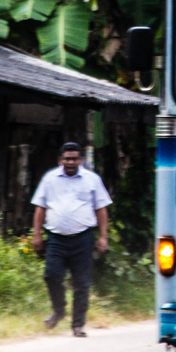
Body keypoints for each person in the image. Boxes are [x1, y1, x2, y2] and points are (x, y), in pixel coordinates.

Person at [31, 142, 111, 337]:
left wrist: (103, 237)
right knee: (51, 275)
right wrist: (36, 235)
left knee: (81, 283)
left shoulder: (91, 180)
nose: (71, 162)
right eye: (67, 158)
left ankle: (78, 325)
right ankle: (59, 310)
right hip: (56, 239)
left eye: (74, 158)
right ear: (60, 160)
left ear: (80, 160)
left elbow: (101, 209)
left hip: (82, 238)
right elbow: (40, 208)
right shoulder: (50, 179)